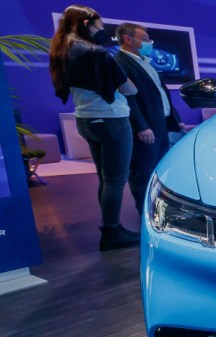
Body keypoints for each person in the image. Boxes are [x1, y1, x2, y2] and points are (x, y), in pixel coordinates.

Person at [49, 5, 140, 251]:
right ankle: (111, 232)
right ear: (86, 24)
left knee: (105, 178)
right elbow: (129, 88)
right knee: (115, 180)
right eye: (100, 26)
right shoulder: (96, 53)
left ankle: (110, 226)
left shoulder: (64, 49)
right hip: (111, 119)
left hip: (86, 119)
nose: (102, 31)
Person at [114, 22, 185, 213]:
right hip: (146, 128)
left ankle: (162, 208)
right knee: (142, 172)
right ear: (128, 39)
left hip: (160, 124)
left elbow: (161, 94)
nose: (149, 43)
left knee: (161, 170)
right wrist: (141, 126)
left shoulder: (145, 62)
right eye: (144, 39)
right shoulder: (120, 63)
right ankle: (145, 212)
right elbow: (129, 99)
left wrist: (175, 120)